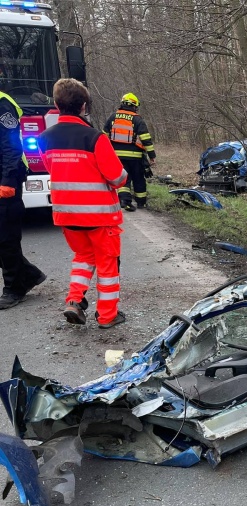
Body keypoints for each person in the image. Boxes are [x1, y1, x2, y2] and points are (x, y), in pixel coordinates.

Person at [38, 79, 129, 328]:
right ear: (84, 106)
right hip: (99, 216)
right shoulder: (95, 138)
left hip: (67, 214)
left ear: (57, 105)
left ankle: (74, 300)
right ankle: (108, 315)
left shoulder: (44, 138)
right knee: (107, 264)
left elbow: (52, 170)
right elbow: (117, 178)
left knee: (83, 257)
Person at [0, 85, 46, 309]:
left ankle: (14, 288)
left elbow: (11, 146)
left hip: (5, 178)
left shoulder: (2, 103)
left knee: (6, 237)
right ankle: (28, 275)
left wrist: (7, 180)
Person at [103, 93, 156, 212]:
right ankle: (141, 203)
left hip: (117, 156)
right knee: (138, 178)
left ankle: (124, 200)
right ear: (134, 105)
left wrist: (105, 154)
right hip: (135, 156)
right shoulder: (137, 119)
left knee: (124, 178)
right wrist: (152, 156)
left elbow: (103, 136)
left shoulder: (113, 117)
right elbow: (146, 139)